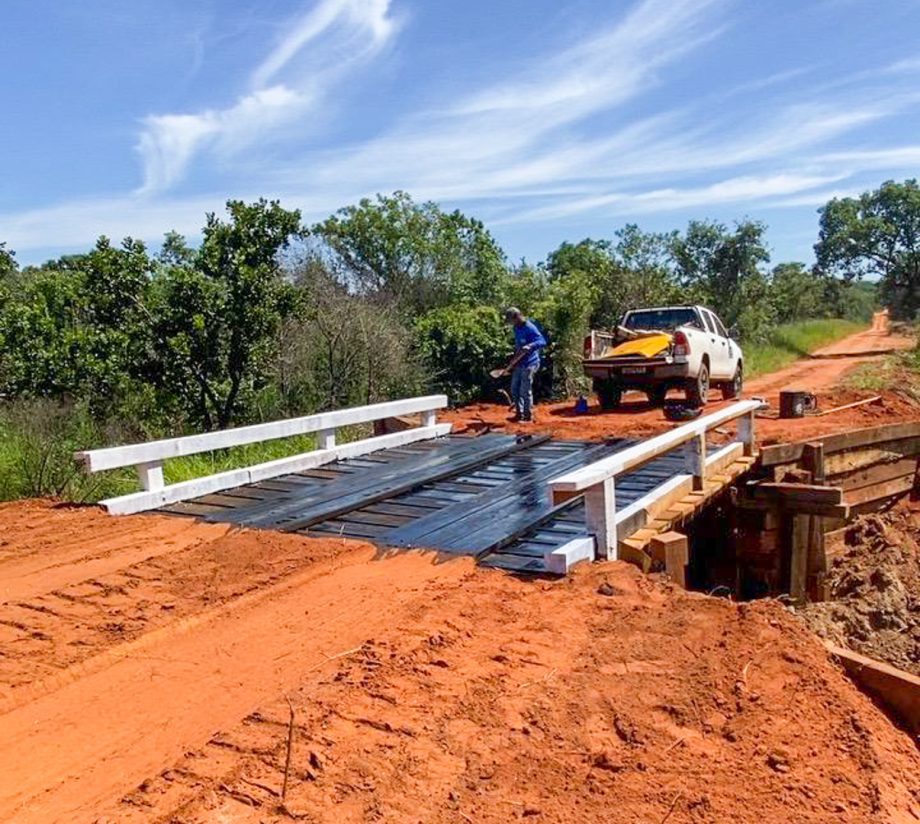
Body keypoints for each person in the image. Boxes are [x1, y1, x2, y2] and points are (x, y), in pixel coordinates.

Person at [504, 307, 546, 423]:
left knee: (524, 390)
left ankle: (528, 416)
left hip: (530, 363)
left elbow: (542, 341)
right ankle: (519, 414)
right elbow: (519, 345)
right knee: (514, 389)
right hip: (519, 362)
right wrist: (514, 359)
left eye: (511, 320)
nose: (510, 323)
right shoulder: (516, 328)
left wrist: (530, 346)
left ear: (517, 317)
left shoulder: (530, 327)